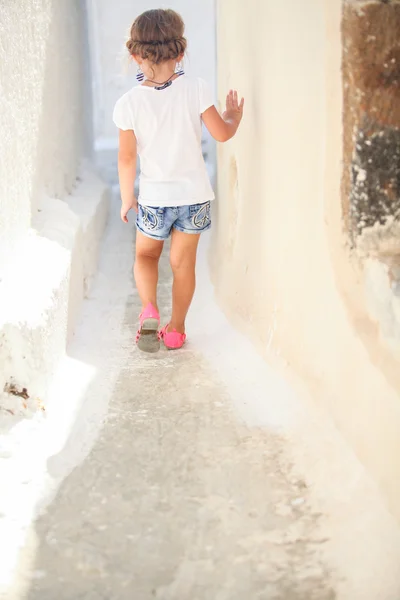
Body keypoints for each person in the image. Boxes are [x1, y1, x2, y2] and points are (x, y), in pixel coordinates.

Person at [113, 8, 244, 353]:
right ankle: (176, 330)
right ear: (181, 52)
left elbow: (126, 158)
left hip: (155, 197)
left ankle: (149, 309)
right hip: (194, 196)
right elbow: (222, 134)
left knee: (145, 256)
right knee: (183, 264)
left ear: (135, 54)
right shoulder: (197, 89)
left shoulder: (128, 104)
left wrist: (128, 198)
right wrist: (233, 117)